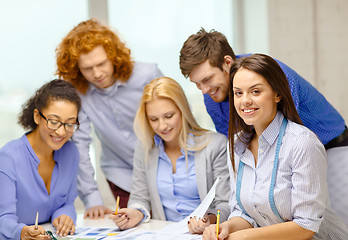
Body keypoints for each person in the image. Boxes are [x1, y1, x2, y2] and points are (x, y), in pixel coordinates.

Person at [202, 54, 348, 240]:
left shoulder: (302, 142)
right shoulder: (236, 144)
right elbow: (245, 212)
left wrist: (245, 237)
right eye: (238, 93)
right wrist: (226, 227)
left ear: (277, 94)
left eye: (255, 92)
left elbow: (306, 226)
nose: (245, 100)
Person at [56, 19, 163, 219]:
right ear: (76, 68)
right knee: (132, 229)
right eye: (87, 68)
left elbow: (179, 118)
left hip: (163, 168)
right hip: (120, 175)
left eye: (101, 64)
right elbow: (79, 144)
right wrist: (92, 198)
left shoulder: (147, 74)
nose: (96, 74)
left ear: (113, 56)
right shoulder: (78, 94)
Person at [179, 28, 348, 149]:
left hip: (333, 144)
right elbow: (235, 145)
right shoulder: (212, 96)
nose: (204, 90)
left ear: (227, 62)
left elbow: (286, 138)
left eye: (207, 79)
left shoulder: (270, 74)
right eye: (197, 83)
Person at [109, 77, 230, 234]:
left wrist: (209, 220)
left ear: (183, 111)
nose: (162, 126)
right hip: (165, 234)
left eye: (168, 116)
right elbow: (140, 197)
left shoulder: (215, 145)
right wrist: (135, 213)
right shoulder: (145, 148)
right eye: (154, 119)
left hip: (203, 235)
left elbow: (225, 203)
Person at [0, 79, 81, 240]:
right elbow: (3, 218)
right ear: (37, 116)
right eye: (54, 122)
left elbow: (67, 202)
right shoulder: (8, 157)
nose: (61, 132)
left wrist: (64, 215)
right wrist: (22, 233)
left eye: (70, 124)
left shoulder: (71, 152)